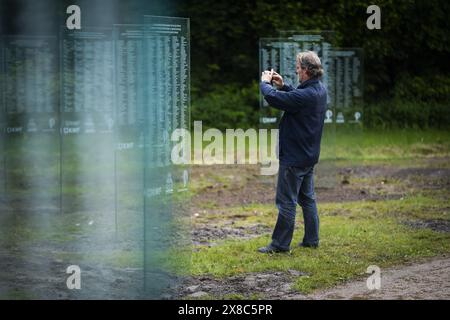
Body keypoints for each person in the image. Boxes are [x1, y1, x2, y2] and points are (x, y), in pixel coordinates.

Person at [258, 51, 327, 253]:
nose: (296, 70)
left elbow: (274, 99)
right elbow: (295, 98)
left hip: (295, 158)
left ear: (305, 70)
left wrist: (266, 83)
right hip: (308, 156)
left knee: (286, 202)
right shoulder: (319, 90)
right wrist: (284, 85)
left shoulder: (305, 95)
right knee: (308, 199)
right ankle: (311, 240)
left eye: (298, 67)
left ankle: (279, 245)